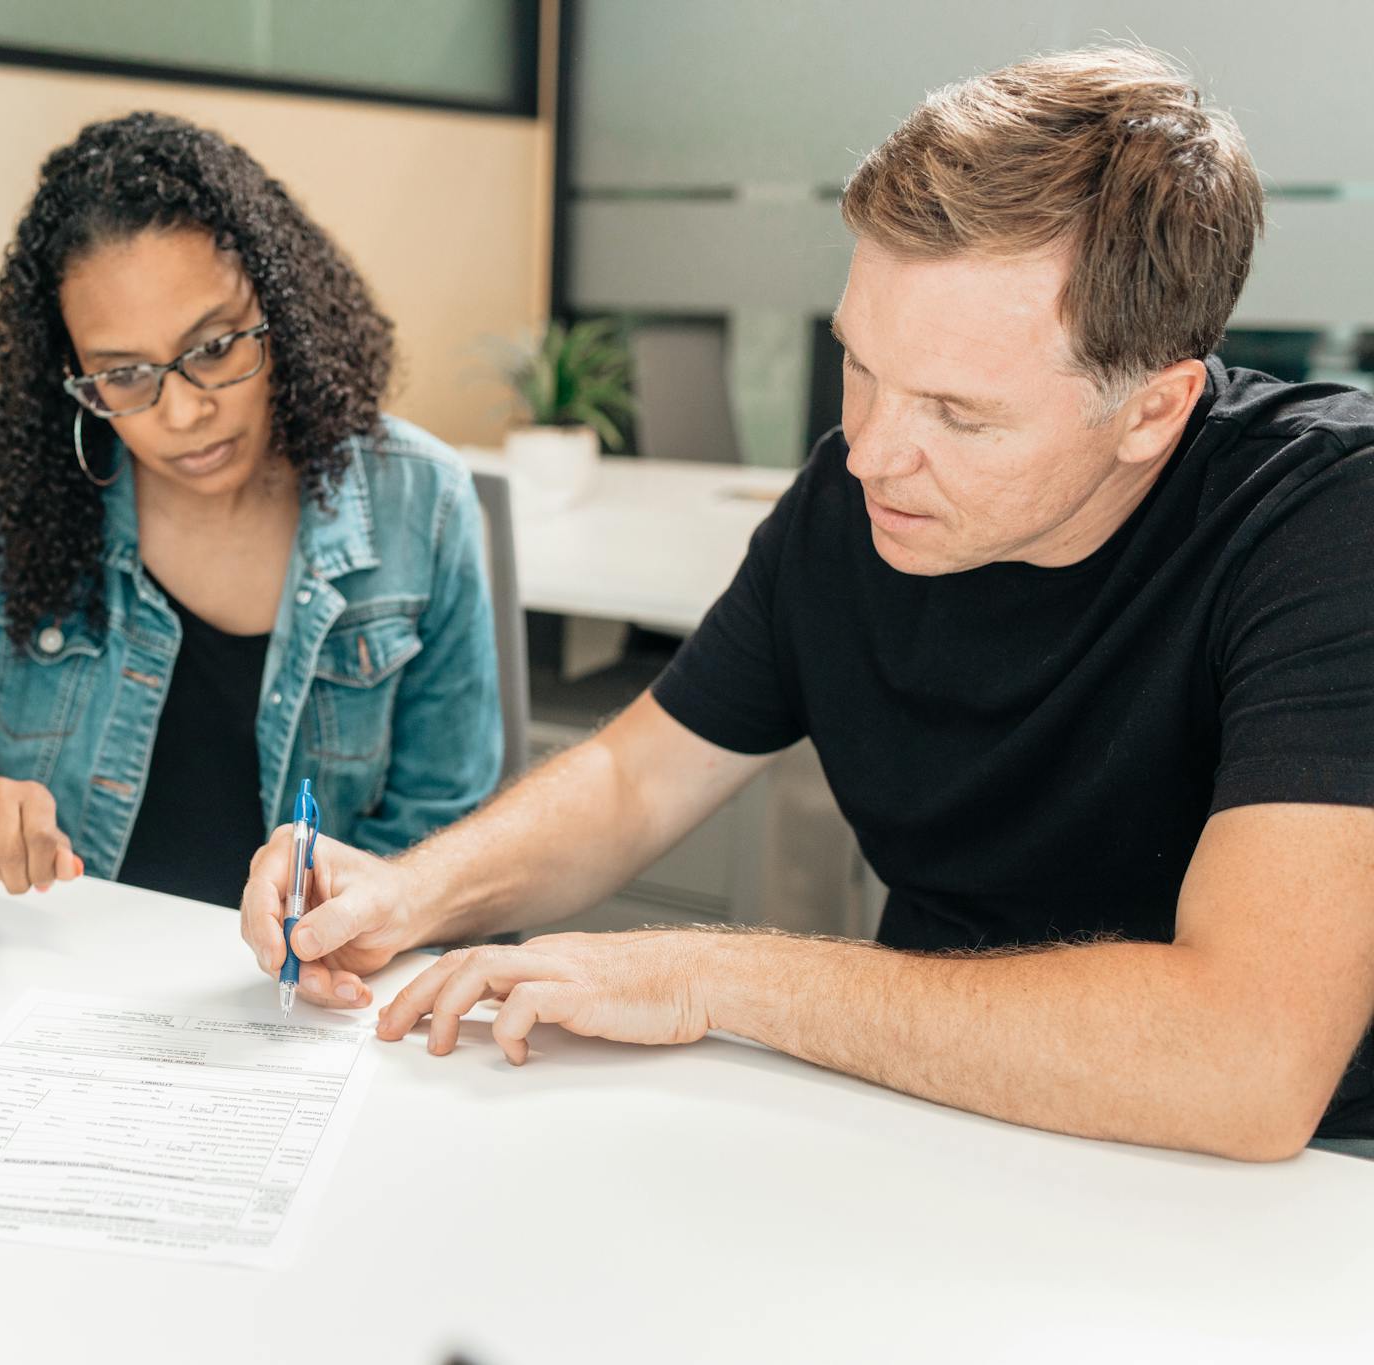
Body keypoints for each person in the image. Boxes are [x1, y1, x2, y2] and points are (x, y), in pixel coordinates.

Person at [240, 48, 1374, 1160]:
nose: (873, 453)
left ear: (1151, 411)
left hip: (1279, 1195)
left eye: (958, 415)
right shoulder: (854, 495)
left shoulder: (1325, 522)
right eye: (859, 365)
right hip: (924, 1112)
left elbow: (1245, 1065)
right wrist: (407, 891)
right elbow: (637, 779)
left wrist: (703, 973)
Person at [0, 112, 500, 913]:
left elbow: (450, 841)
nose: (182, 412)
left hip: (312, 998)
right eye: (124, 374)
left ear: (282, 312)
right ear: (69, 370)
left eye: (215, 348)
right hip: (62, 988)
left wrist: (351, 923)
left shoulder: (417, 501)